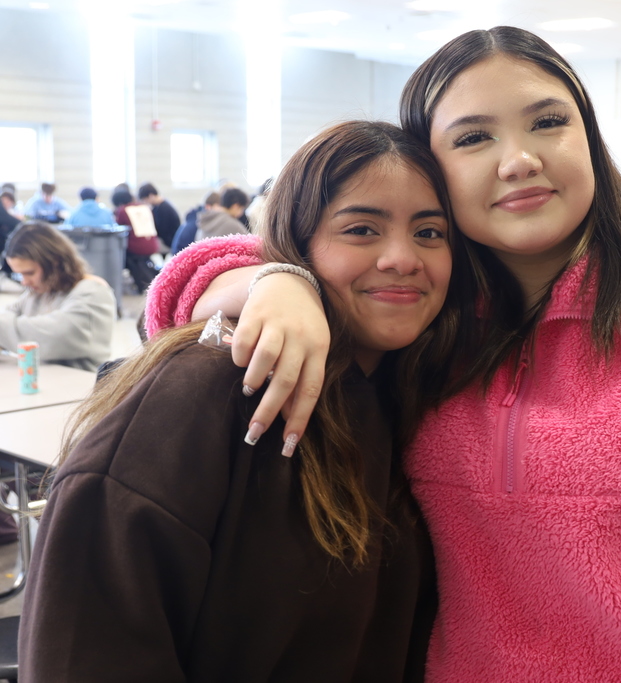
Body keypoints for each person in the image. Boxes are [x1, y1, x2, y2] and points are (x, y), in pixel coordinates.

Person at [146, 27, 621, 681]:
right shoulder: (422, 305)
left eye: (547, 122)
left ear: (589, 137)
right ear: (431, 170)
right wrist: (277, 283)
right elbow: (185, 292)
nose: (517, 159)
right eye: (474, 137)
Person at [19, 120, 460, 681]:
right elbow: (86, 645)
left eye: (429, 233)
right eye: (361, 230)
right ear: (295, 244)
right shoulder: (207, 391)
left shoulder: (426, 403)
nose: (403, 257)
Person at [0, 221, 115, 371]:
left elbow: (55, 335)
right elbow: (9, 315)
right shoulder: (40, 290)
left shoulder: (93, 292)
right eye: (20, 274)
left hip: (81, 387)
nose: (24, 282)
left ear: (54, 263)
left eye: (29, 273)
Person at [112, 188, 160, 293]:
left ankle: (141, 284)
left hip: (137, 247)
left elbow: (118, 229)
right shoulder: (144, 207)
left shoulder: (123, 210)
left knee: (123, 256)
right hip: (152, 244)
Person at [171, 191, 219, 255]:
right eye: (219, 207)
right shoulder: (198, 222)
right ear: (208, 207)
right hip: (182, 257)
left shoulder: (194, 217)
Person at [138, 182, 182, 250]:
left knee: (144, 247)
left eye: (145, 200)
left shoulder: (164, 208)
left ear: (151, 196)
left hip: (170, 241)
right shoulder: (159, 206)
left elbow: (160, 230)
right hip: (168, 239)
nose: (145, 203)